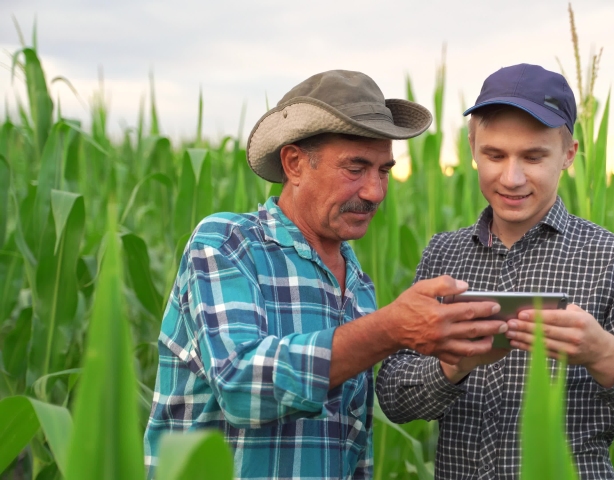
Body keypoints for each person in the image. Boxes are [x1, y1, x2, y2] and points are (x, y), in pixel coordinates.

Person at [142, 70, 509, 480]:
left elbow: (351, 446)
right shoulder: (228, 243)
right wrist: (388, 330)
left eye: (383, 170)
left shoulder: (357, 285)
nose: (375, 191)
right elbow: (239, 385)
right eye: (355, 168)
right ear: (295, 163)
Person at [376, 64, 614, 479]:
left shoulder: (613, 261)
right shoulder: (443, 257)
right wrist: (451, 365)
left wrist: (604, 354)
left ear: (568, 154)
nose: (511, 178)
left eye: (533, 157)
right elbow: (393, 399)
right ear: (472, 149)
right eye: (495, 155)